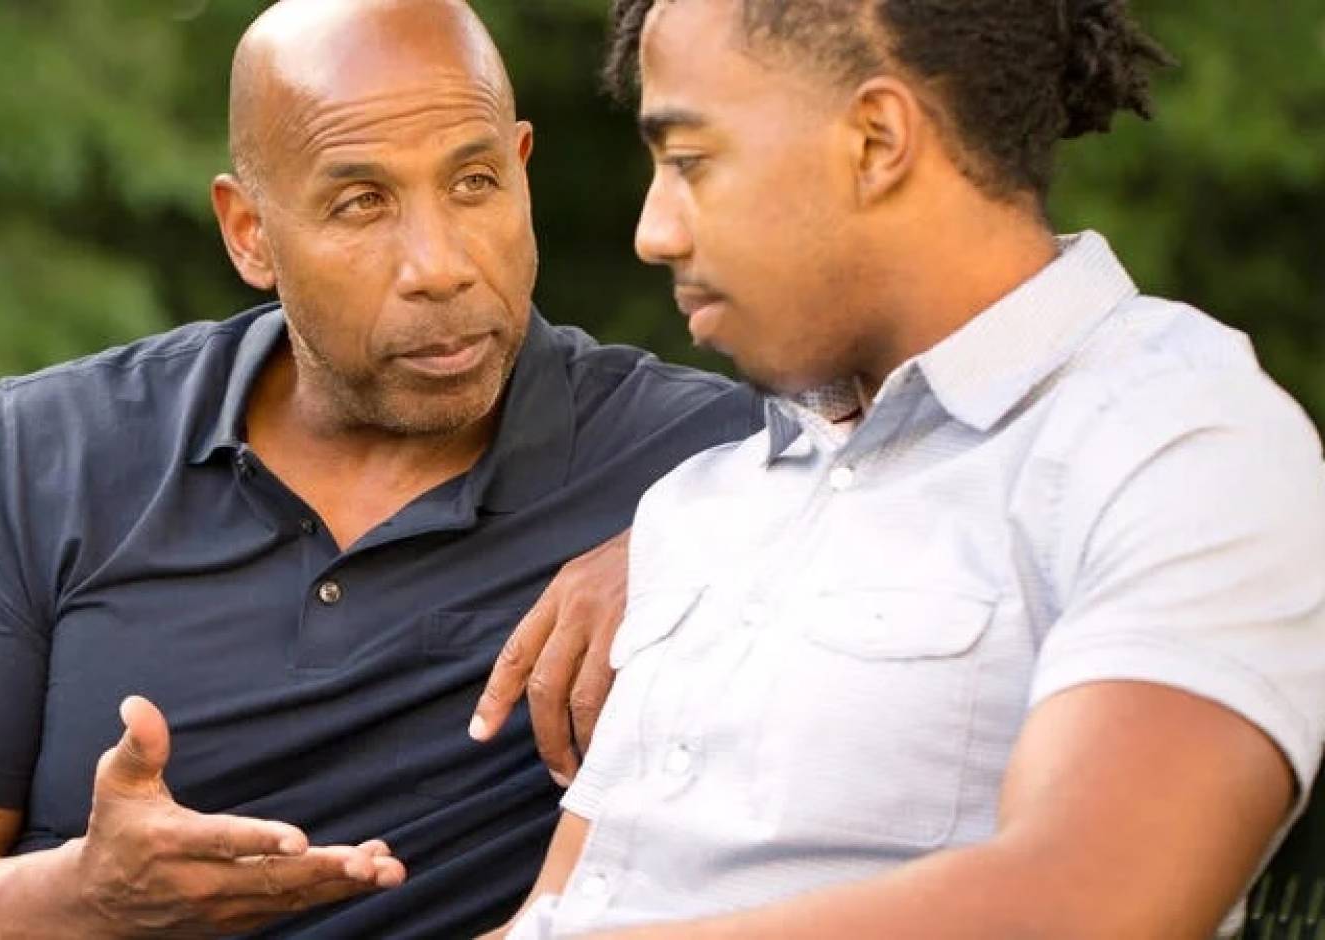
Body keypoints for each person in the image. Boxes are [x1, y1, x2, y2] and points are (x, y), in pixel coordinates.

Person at [0, 1, 763, 936]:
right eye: (362, 202)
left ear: (521, 172)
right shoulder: (53, 448)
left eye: (472, 184)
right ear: (249, 233)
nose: (439, 264)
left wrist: (699, 528)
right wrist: (82, 902)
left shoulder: (708, 463)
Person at [499, 0, 1325, 937]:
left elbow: (1097, 901)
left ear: (876, 140)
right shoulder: (699, 507)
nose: (656, 232)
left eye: (691, 162)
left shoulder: (1179, 438)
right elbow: (563, 913)